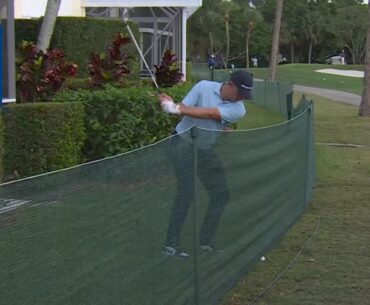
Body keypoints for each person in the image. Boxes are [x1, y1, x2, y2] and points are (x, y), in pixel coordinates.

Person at [158, 70, 253, 258]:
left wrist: (176, 108)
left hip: (204, 150)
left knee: (220, 194)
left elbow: (210, 114)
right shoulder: (203, 87)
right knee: (186, 192)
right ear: (231, 84)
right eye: (240, 93)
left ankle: (205, 242)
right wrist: (172, 106)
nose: (241, 98)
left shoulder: (239, 109)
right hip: (182, 143)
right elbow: (185, 107)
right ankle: (170, 246)